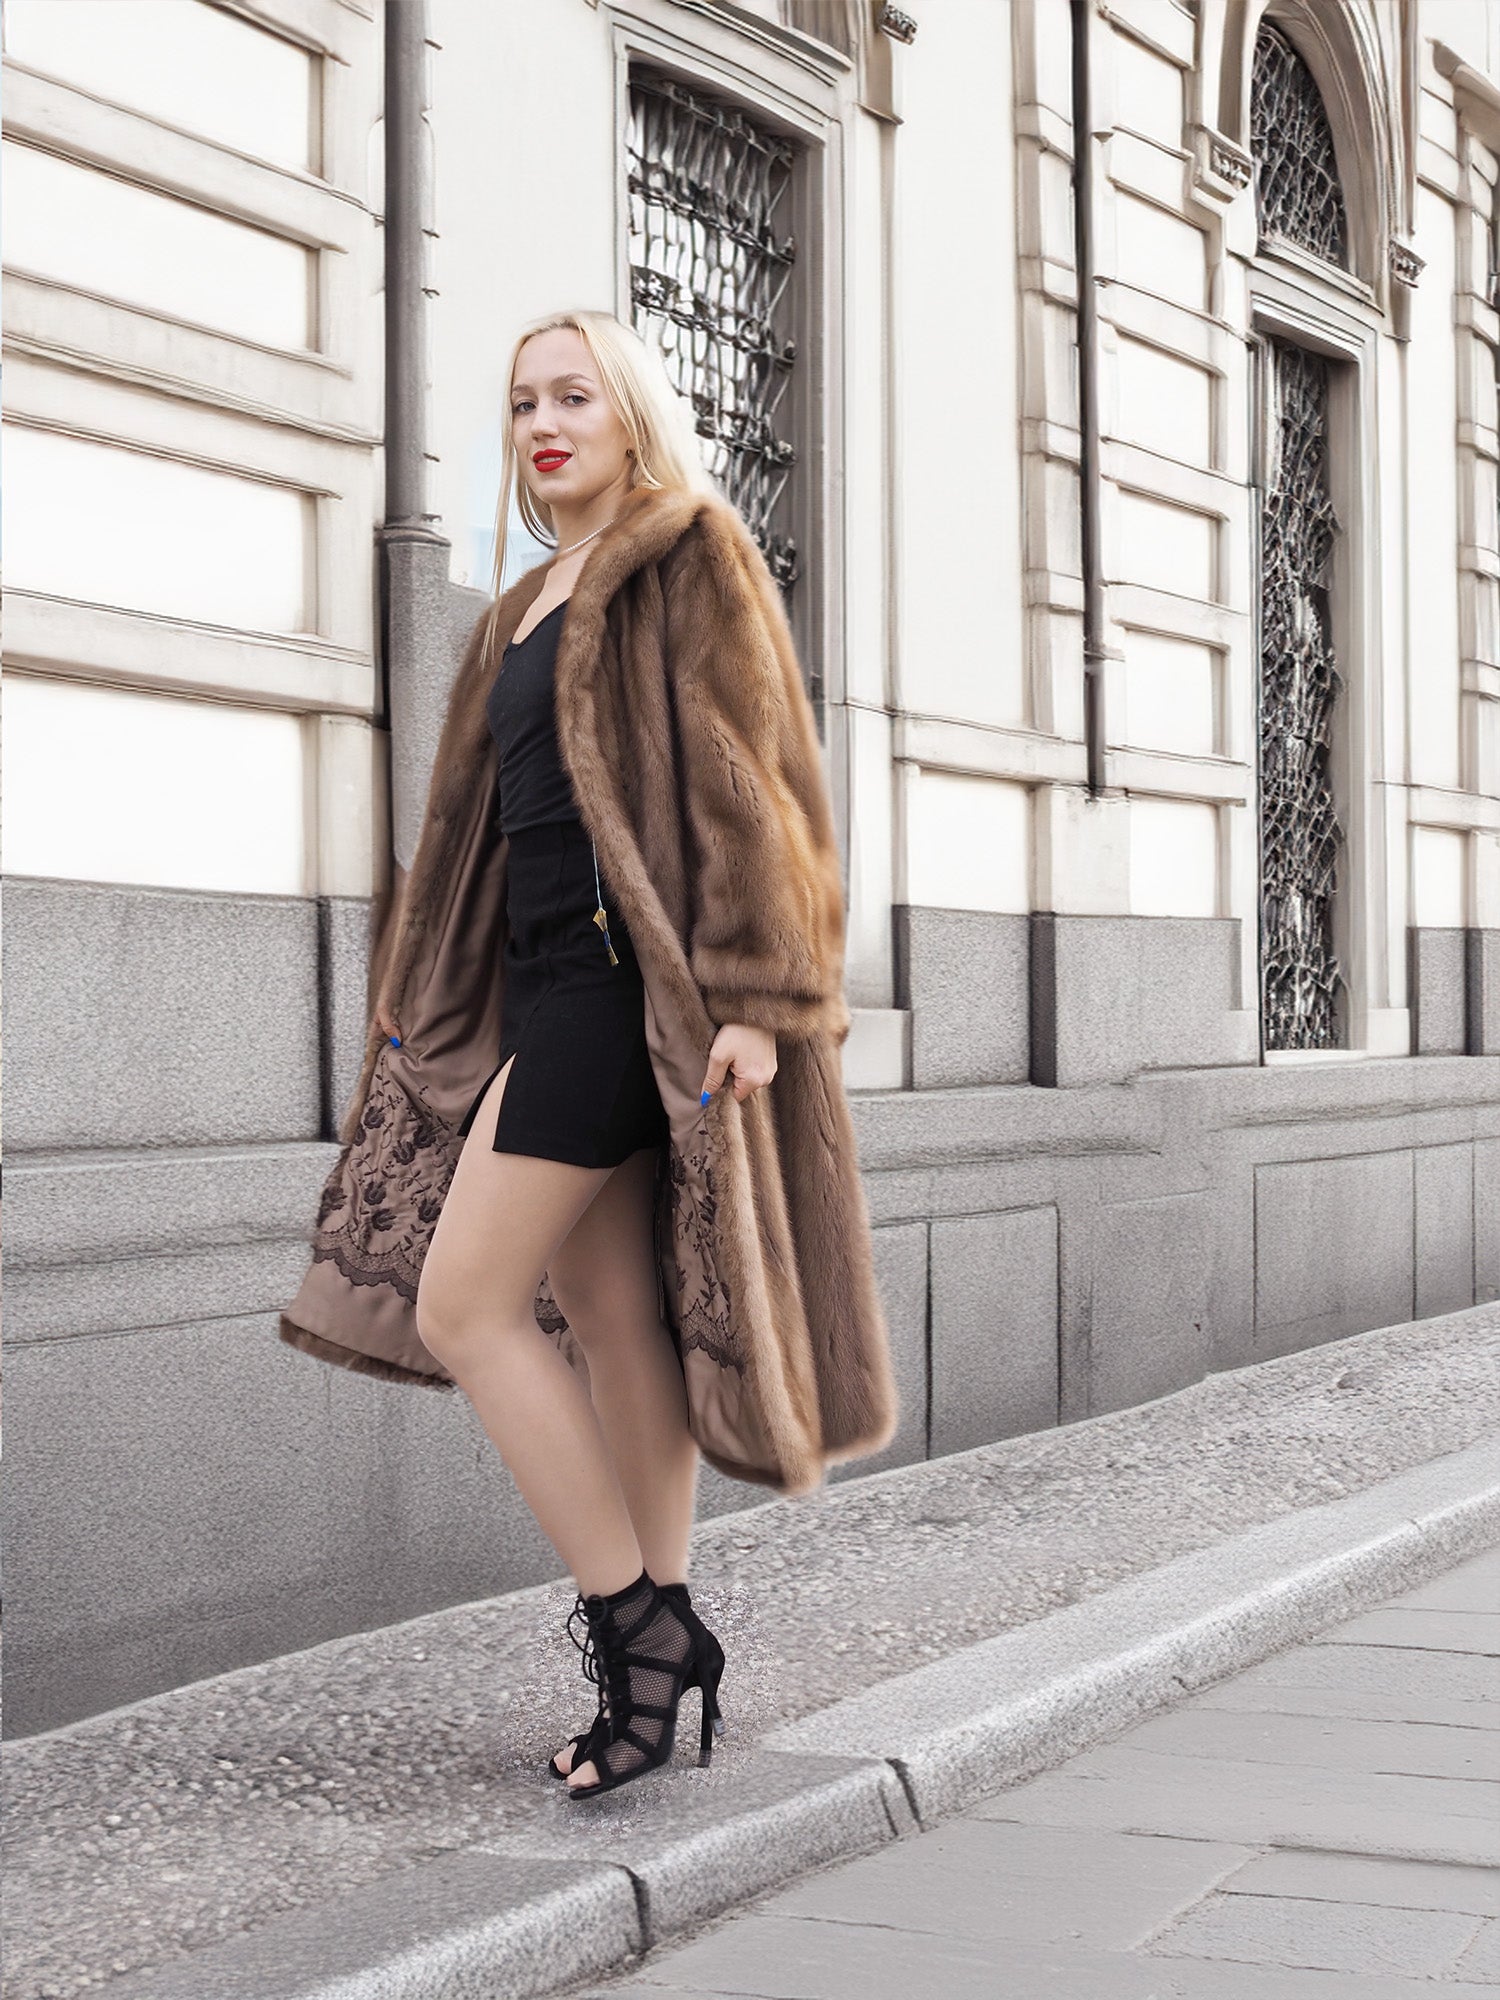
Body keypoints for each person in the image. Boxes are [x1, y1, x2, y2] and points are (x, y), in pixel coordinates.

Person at [280, 307, 898, 1803]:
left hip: (632, 1004)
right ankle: (654, 1659)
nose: (545, 424)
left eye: (574, 397)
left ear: (629, 416)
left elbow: (760, 781)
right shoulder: (515, 607)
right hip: (541, 990)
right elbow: (475, 838)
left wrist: (756, 994)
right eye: (520, 405)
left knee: (469, 1299)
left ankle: (639, 1622)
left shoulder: (686, 552)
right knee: (614, 1318)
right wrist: (419, 985)